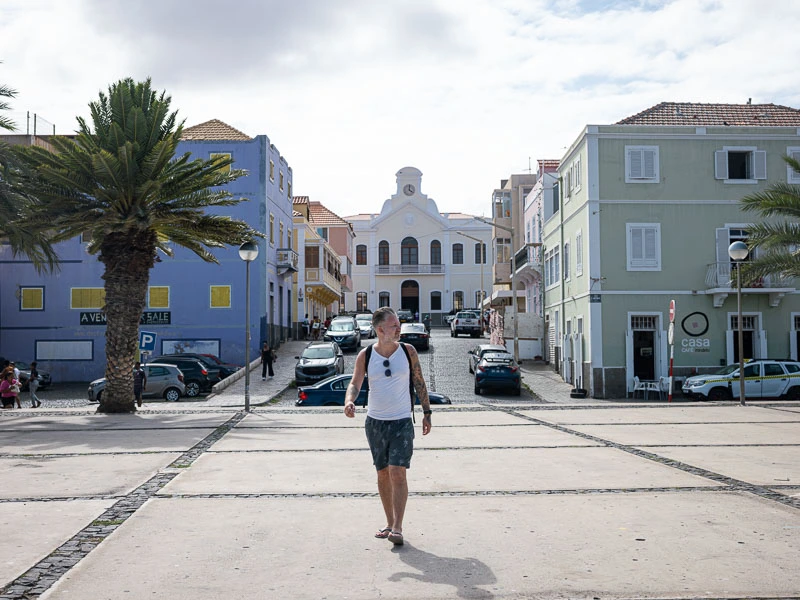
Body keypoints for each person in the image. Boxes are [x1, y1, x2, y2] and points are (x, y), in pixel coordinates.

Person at [344, 307, 432, 547]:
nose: (399, 328)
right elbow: (355, 382)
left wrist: (427, 413)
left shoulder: (408, 351)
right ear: (380, 329)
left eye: (398, 324)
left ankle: (398, 527)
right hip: (375, 423)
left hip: (402, 421)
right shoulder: (366, 355)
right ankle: (389, 521)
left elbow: (419, 382)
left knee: (397, 471)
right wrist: (349, 401)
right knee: (382, 473)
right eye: (394, 325)